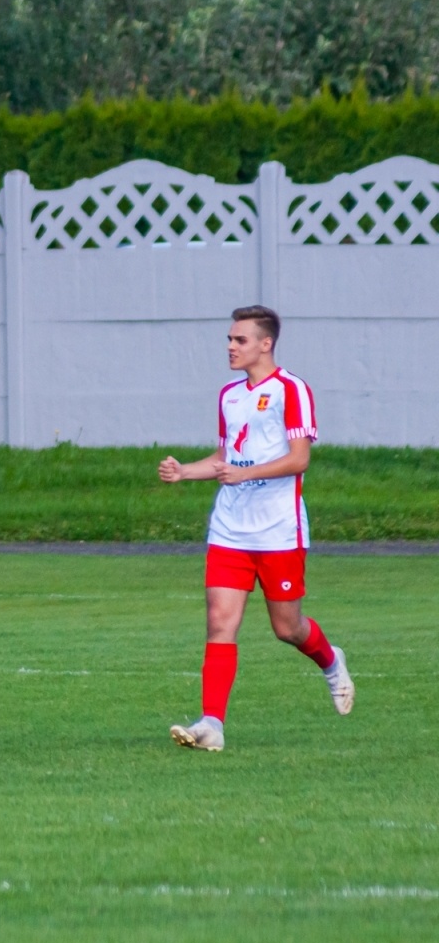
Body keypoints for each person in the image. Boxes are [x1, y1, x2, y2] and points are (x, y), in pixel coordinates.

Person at [159, 305, 354, 752]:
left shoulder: (292, 390)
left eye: (239, 340)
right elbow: (225, 456)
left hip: (279, 530)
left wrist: (245, 474)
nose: (231, 347)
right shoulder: (229, 394)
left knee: (287, 628)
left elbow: (299, 459)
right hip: (230, 528)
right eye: (229, 339)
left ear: (265, 343)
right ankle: (212, 723)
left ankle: (330, 660)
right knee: (219, 623)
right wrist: (185, 472)